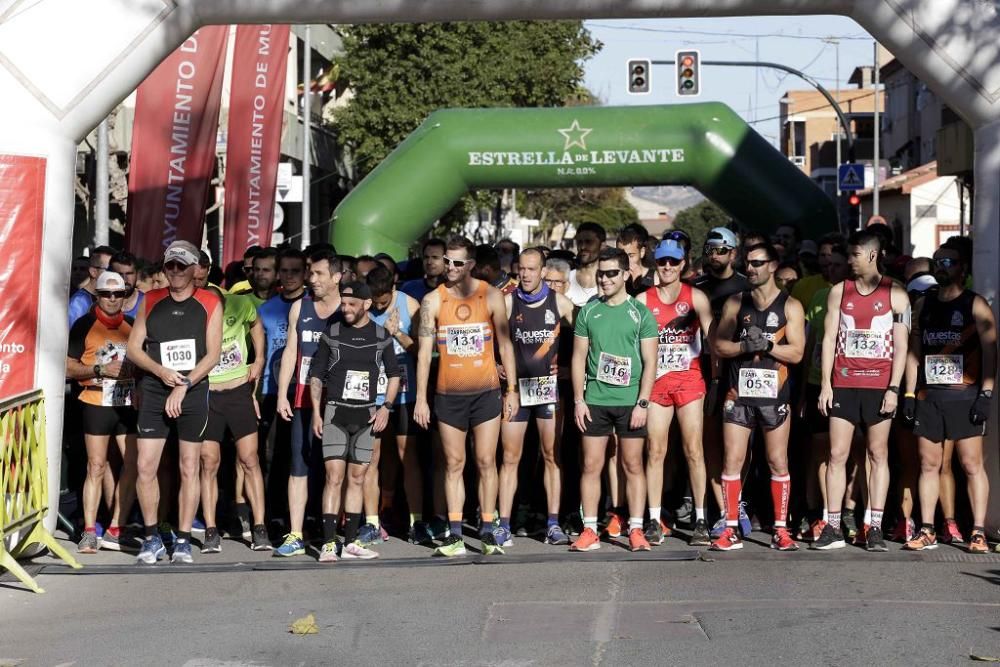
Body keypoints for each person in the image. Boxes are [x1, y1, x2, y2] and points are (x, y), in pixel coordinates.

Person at [414, 235, 519, 557]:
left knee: (487, 461)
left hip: (486, 391)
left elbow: (505, 345)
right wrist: (421, 398)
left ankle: (488, 529)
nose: (450, 267)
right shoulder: (433, 300)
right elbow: (423, 354)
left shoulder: (491, 296)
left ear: (471, 264)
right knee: (454, 463)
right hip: (449, 394)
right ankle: (455, 533)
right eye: (447, 261)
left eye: (458, 262)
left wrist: (511, 390)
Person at [126, 240, 223, 564]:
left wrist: (184, 384)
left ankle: (182, 539)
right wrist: (160, 370)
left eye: (183, 266)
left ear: (196, 269)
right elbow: (134, 349)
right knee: (145, 466)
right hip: (156, 389)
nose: (177, 272)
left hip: (192, 390)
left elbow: (213, 354)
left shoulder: (210, 302)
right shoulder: (151, 300)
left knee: (188, 466)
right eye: (171, 266)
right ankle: (152, 537)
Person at [815, 230, 910, 551]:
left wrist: (894, 388)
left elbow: (901, 346)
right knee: (837, 454)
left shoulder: (896, 294)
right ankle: (831, 526)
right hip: (844, 382)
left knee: (877, 453)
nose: (849, 262)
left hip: (879, 384)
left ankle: (876, 527)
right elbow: (828, 339)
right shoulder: (839, 292)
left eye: (854, 255)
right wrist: (826, 384)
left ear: (872, 255)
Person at [710, 242, 805, 551]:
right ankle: (731, 526)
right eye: (748, 263)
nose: (750, 268)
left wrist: (767, 346)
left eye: (757, 263)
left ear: (773, 266)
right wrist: (743, 348)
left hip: (774, 393)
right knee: (733, 460)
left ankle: (781, 528)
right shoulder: (736, 302)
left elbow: (798, 352)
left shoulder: (790, 305)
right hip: (739, 393)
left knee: (777, 460)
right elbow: (719, 345)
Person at [903, 242, 996, 554]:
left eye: (949, 261)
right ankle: (927, 528)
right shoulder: (923, 305)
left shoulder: (975, 304)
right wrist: (908, 392)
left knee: (970, 464)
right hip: (929, 396)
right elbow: (914, 353)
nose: (942, 266)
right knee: (928, 463)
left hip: (965, 396)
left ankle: (978, 531)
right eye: (937, 261)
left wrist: (985, 393)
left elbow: (990, 352)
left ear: (963, 269)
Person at [569, 247, 658, 553]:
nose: (604, 279)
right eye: (600, 274)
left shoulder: (640, 313)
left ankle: (635, 528)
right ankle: (590, 529)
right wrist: (579, 400)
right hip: (595, 399)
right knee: (591, 465)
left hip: (630, 400)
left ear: (624, 275)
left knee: (632, 464)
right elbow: (579, 356)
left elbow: (650, 362)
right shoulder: (589, 311)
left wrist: (643, 403)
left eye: (610, 274)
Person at [308, 281, 400, 561]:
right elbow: (316, 375)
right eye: (343, 304)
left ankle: (349, 543)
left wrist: (386, 407)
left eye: (351, 304)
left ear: (366, 305)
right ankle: (327, 543)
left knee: (357, 478)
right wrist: (315, 411)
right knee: (334, 477)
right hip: (336, 413)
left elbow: (394, 374)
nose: (345, 309)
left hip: (367, 415)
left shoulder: (381, 335)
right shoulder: (332, 333)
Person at [637, 239, 714, 546]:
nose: (667, 267)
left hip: (689, 380)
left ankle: (700, 519)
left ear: (683, 264)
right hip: (656, 383)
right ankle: (654, 519)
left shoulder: (695, 296)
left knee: (693, 449)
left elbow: (714, 341)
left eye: (673, 261)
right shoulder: (643, 299)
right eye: (662, 261)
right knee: (656, 451)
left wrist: (721, 381)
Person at [498, 247, 576, 547]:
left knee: (551, 456)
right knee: (509, 457)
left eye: (532, 269)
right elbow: (490, 337)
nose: (526, 275)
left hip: (547, 389)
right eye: (522, 270)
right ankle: (503, 524)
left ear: (543, 271)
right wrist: (495, 366)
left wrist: (572, 368)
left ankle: (553, 524)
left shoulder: (559, 301)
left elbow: (586, 332)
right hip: (516, 390)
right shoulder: (508, 302)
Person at [274, 249, 342, 557]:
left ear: (336, 277)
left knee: (336, 471)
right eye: (310, 273)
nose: (311, 279)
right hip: (302, 399)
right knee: (298, 467)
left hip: (341, 404)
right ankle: (296, 534)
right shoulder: (300, 308)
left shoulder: (348, 309)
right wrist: (281, 394)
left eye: (318, 274)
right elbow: (291, 351)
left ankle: (337, 531)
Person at [66, 271, 138, 553]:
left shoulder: (132, 325)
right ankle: (88, 530)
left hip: (127, 403)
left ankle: (116, 527)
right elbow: (68, 367)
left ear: (125, 296)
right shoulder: (84, 325)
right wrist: (99, 369)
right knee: (95, 466)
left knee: (133, 465)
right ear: (97, 295)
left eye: (118, 294)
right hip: (96, 402)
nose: (111, 299)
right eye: (106, 294)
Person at [199, 287, 271, 553]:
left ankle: (260, 527)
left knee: (249, 459)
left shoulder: (240, 304)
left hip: (239, 391)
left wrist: (259, 358)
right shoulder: (196, 314)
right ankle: (210, 529)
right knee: (208, 462)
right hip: (208, 394)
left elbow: (256, 325)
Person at [366, 265, 431, 543]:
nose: (378, 307)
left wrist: (396, 333)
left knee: (407, 454)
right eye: (374, 302)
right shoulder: (364, 305)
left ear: (392, 289)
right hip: (374, 392)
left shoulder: (411, 305)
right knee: (372, 456)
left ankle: (416, 521)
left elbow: (423, 351)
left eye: (382, 302)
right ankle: (371, 521)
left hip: (406, 392)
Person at [692, 227, 750, 537]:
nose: (713, 256)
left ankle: (738, 500)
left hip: (739, 371)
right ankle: (721, 507)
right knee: (711, 441)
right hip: (703, 372)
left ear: (733, 253)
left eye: (720, 250)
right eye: (709, 250)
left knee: (741, 445)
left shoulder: (744, 285)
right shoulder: (696, 287)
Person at [797, 243, 854, 542]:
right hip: (820, 383)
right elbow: (810, 346)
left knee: (852, 452)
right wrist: (804, 390)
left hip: (856, 384)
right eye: (827, 265)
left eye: (837, 265)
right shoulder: (820, 296)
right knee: (822, 451)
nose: (829, 270)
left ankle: (850, 512)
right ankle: (818, 513)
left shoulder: (864, 296)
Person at [256, 249, 307, 530]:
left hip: (305, 391)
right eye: (284, 271)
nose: (289, 277)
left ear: (305, 274)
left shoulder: (312, 307)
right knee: (272, 455)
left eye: (295, 271)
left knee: (301, 454)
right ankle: (274, 514)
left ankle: (305, 515)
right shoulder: (266, 309)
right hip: (271, 390)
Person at [68, 245, 115, 326]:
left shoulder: (109, 298)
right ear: (93, 272)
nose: (116, 274)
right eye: (109, 269)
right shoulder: (78, 302)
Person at [566, 222, 606, 307]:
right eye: (579, 242)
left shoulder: (611, 280)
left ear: (602, 245)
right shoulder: (566, 278)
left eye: (589, 242)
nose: (583, 247)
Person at [617, 223, 656, 296]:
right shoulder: (613, 276)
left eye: (631, 256)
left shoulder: (656, 277)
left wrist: (637, 285)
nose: (626, 260)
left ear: (642, 252)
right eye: (621, 255)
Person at [110, 251, 146, 319]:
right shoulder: (102, 304)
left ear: (137, 275)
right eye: (119, 274)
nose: (124, 280)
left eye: (129, 274)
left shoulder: (147, 303)